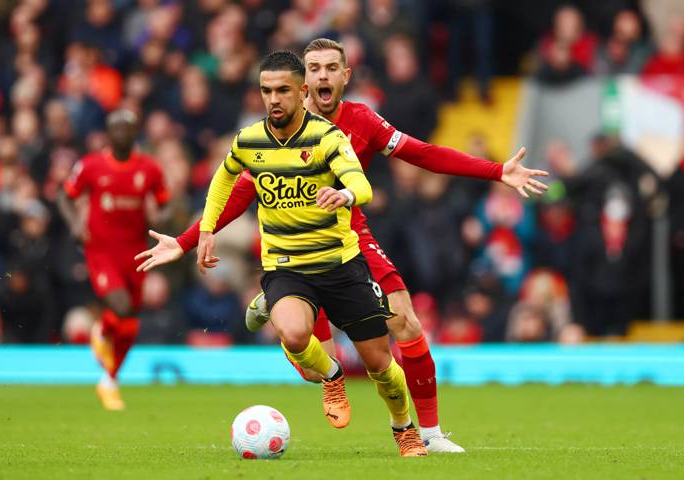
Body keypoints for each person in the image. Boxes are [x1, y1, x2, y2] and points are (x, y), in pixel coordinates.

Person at [136, 39, 548, 452]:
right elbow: (241, 191)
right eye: (314, 68)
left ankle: (427, 433)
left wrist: (497, 172)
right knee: (313, 368)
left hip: (349, 239)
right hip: (293, 252)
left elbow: (422, 154)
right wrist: (188, 241)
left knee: (406, 322)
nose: (322, 76)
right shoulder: (277, 129)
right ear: (303, 80)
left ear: (345, 76)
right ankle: (282, 304)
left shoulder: (361, 121)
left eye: (332, 68)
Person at [196, 50, 427, 457]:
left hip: (341, 264)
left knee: (380, 366)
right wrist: (206, 229)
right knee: (293, 333)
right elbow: (223, 179)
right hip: (287, 267)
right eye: (266, 91)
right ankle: (332, 375)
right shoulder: (249, 141)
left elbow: (363, 184)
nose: (274, 100)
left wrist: (346, 193)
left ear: (301, 91)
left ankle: (403, 426)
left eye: (283, 90)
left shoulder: (327, 138)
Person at [58, 109, 170, 410]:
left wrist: (158, 218)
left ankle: (109, 379)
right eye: (116, 127)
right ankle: (102, 332)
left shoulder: (150, 169)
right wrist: (74, 225)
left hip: (136, 252)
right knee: (120, 306)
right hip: (102, 251)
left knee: (130, 323)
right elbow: (64, 196)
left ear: (136, 133)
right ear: (108, 133)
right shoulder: (91, 166)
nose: (122, 132)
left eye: (128, 127)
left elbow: (165, 204)